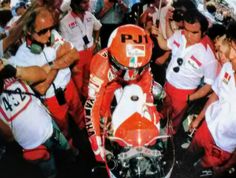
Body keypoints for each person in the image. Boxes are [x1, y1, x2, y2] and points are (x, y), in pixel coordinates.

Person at [84, 24, 161, 162]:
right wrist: (96, 145)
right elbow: (91, 107)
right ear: (111, 57)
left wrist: (150, 104)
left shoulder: (142, 62)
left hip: (137, 81)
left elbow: (146, 80)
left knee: (151, 113)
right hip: (110, 82)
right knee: (103, 115)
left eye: (137, 68)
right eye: (125, 68)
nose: (131, 74)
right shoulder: (100, 65)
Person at [8, 6, 85, 141]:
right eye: (43, 31)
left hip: (70, 87)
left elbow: (74, 55)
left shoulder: (53, 34)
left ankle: (86, 135)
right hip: (52, 99)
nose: (49, 34)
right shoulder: (22, 57)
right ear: (29, 32)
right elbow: (41, 88)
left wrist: (48, 68)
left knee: (81, 116)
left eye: (50, 28)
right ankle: (71, 152)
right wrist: (57, 61)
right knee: (64, 129)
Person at [0, 60, 72, 178]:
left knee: (66, 149)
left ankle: (72, 161)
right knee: (50, 170)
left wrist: (17, 71)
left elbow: (42, 75)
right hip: (31, 145)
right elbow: (9, 137)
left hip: (49, 127)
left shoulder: (11, 69)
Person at [155, 9, 218, 133]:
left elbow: (210, 85)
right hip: (167, 85)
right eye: (187, 30)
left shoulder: (208, 56)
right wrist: (157, 33)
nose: (188, 35)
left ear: (204, 32)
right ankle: (157, 129)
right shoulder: (179, 34)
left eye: (194, 32)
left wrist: (190, 98)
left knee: (173, 122)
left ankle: (168, 143)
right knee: (162, 112)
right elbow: (164, 45)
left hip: (184, 93)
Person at [188, 21, 236, 174]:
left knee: (203, 166)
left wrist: (228, 165)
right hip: (207, 126)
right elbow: (215, 94)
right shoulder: (227, 67)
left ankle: (193, 176)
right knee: (190, 152)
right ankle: (182, 167)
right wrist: (198, 120)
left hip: (224, 145)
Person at [59, 0, 102, 100]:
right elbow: (65, 45)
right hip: (76, 55)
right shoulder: (65, 21)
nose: (88, 5)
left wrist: (95, 42)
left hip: (90, 52)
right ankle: (81, 104)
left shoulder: (89, 15)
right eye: (84, 2)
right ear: (75, 5)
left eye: (88, 2)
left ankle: (89, 101)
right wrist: (71, 64)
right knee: (78, 84)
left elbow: (98, 27)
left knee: (91, 80)